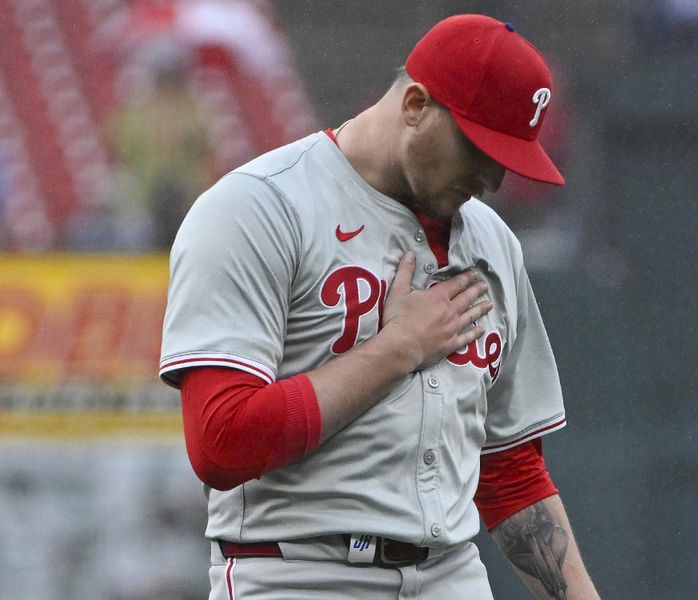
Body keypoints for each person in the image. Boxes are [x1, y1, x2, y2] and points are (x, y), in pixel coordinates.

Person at [160, 13, 600, 600]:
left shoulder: (494, 243)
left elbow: (510, 471)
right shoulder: (258, 208)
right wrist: (396, 350)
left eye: (510, 156)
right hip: (299, 571)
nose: (494, 177)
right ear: (415, 105)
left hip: (451, 573)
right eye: (480, 147)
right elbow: (222, 443)